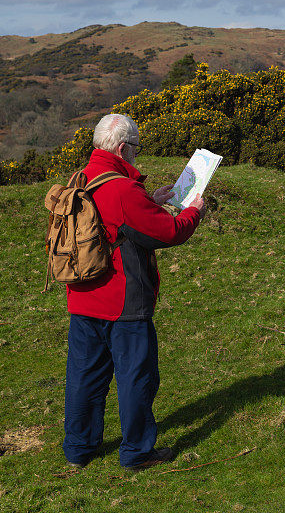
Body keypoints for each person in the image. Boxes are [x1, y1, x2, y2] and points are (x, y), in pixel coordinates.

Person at [62, 113, 205, 471]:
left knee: (84, 378)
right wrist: (193, 212)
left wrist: (150, 201)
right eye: (136, 149)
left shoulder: (81, 178)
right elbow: (167, 233)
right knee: (137, 379)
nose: (137, 155)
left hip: (82, 297)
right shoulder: (123, 189)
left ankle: (79, 450)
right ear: (124, 148)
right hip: (122, 302)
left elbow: (120, 222)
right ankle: (138, 453)